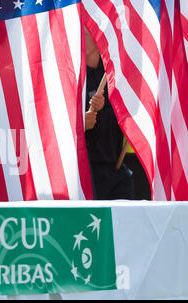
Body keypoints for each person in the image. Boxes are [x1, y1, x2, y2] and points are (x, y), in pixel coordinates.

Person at [84, 30, 134, 200]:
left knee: (128, 221)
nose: (80, 38)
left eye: (85, 34)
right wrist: (85, 120)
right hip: (90, 169)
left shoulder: (114, 73)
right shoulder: (76, 76)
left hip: (118, 166)